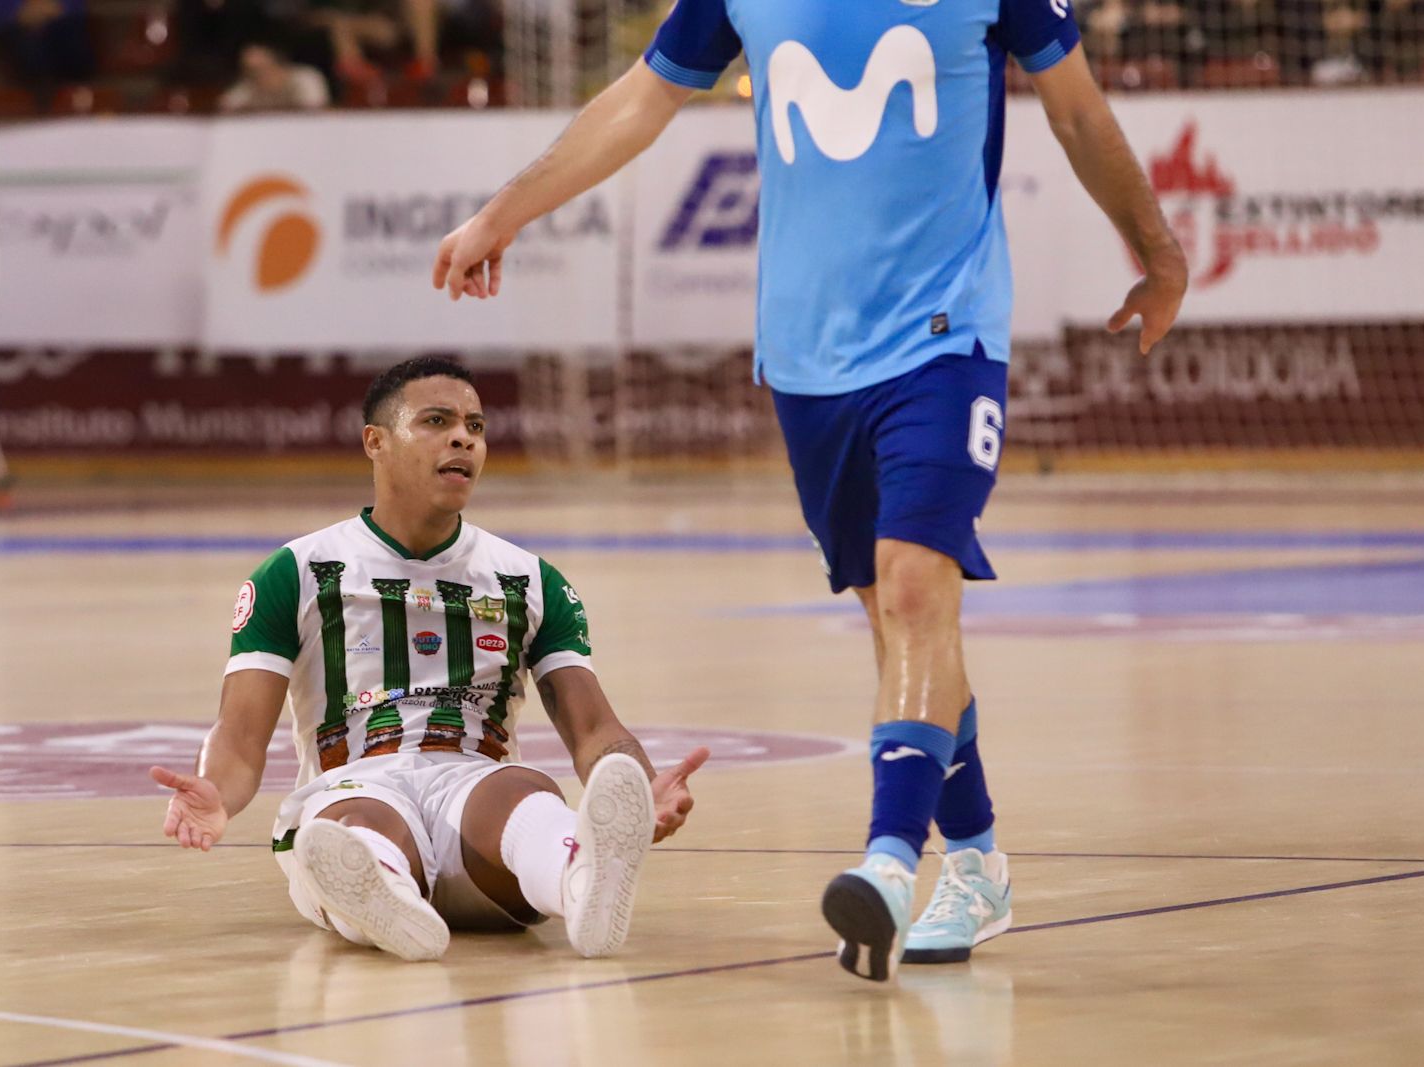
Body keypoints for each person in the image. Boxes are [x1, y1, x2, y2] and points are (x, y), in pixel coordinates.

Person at [432, 1, 1187, 978]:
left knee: (917, 587)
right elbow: (640, 101)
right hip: (807, 361)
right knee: (894, 619)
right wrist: (505, 212)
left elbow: (1078, 112)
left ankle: (884, 860)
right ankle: (975, 860)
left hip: (945, 340)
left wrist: (1159, 251)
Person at [150, 357, 708, 960]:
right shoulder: (298, 571)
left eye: (476, 425)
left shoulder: (528, 578)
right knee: (354, 824)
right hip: (356, 781)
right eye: (436, 421)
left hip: (473, 789)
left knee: (522, 791)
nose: (464, 437)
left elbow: (594, 728)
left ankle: (581, 880)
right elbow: (239, 736)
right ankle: (382, 892)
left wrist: (638, 783)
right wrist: (216, 792)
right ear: (376, 443)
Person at [219, 42, 331, 111]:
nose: (257, 75)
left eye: (261, 68)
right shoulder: (248, 86)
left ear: (277, 64)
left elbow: (315, 110)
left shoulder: (305, 78)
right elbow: (226, 106)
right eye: (249, 70)